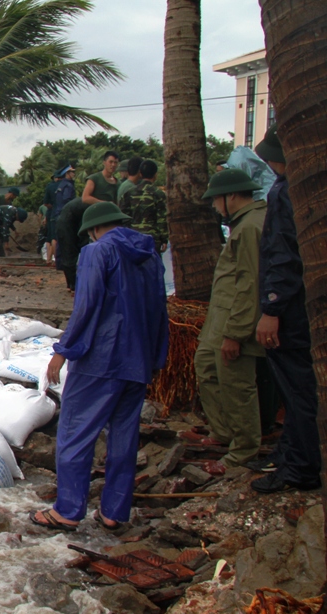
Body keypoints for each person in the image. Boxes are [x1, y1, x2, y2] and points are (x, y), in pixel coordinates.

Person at [31, 202, 168, 531]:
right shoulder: (150, 255)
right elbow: (159, 307)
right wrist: (156, 357)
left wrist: (63, 351)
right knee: (123, 435)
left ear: (92, 229)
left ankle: (68, 509)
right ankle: (114, 512)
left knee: (76, 431)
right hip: (138, 359)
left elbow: (86, 305)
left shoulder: (96, 252)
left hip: (101, 358)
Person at [248, 125, 321, 492]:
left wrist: (271, 308)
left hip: (289, 310)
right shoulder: (308, 184)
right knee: (297, 386)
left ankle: (301, 467)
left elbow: (283, 255)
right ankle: (290, 452)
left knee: (297, 388)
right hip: (308, 304)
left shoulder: (285, 191)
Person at [193, 169, 267, 467]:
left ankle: (243, 450)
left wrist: (235, 333)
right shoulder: (243, 224)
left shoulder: (251, 227)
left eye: (216, 200)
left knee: (236, 385)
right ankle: (224, 432)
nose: (214, 206)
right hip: (221, 318)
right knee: (206, 368)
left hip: (235, 321)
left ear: (231, 196)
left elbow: (250, 284)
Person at [120, 159, 168, 251]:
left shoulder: (129, 193)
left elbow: (123, 216)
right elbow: (161, 218)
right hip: (152, 239)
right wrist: (164, 238)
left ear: (140, 174)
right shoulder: (158, 193)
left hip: (133, 238)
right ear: (155, 174)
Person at [44, 165, 77, 265]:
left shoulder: (55, 186)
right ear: (66, 173)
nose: (74, 174)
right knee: (60, 237)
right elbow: (67, 201)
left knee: (53, 237)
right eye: (72, 172)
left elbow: (46, 203)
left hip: (54, 213)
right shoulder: (67, 185)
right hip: (64, 214)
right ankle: (58, 260)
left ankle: (53, 259)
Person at [54, 197, 89, 292]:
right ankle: (73, 284)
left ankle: (73, 284)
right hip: (67, 224)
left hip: (67, 220)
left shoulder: (89, 203)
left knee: (70, 253)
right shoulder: (91, 205)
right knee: (69, 253)